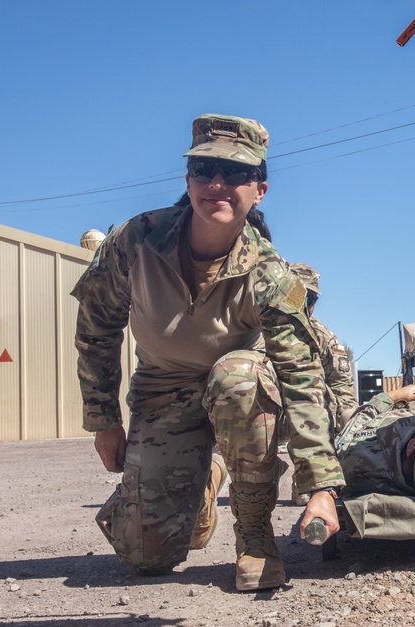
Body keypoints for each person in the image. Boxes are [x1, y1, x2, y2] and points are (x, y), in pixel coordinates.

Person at [73, 113, 344, 592]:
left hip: (241, 389)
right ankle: (201, 482)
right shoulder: (135, 241)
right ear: (188, 179)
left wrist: (319, 485)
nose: (217, 184)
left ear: (259, 189)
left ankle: (255, 536)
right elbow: (97, 329)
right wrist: (104, 421)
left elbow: (302, 378)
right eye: (204, 170)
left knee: (237, 376)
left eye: (236, 173)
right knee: (144, 557)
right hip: (163, 389)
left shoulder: (272, 275)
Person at [290, 263, 358, 430]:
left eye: (311, 300)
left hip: (313, 425)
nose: (305, 306)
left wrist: (352, 428)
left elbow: (342, 388)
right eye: (298, 295)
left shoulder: (322, 337)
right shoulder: (255, 325)